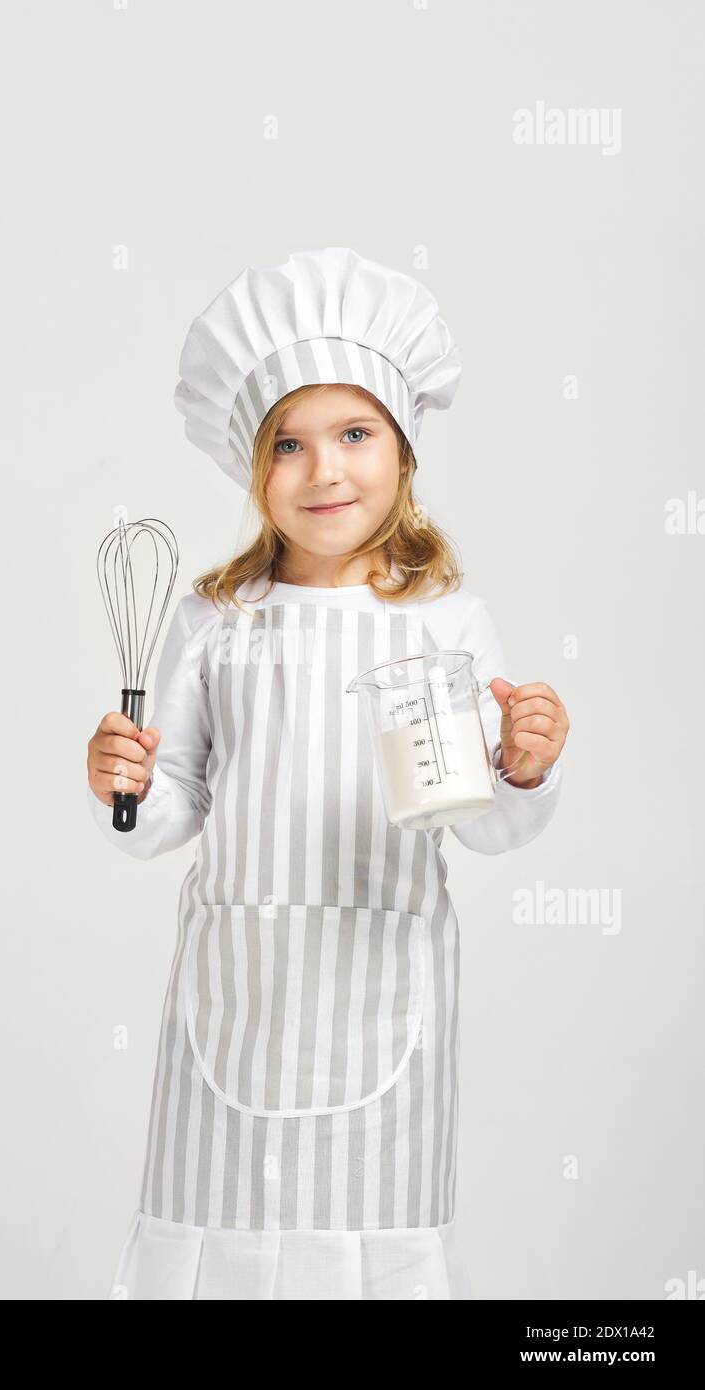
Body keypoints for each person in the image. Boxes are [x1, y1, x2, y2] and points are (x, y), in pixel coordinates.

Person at [87, 247, 570, 1300]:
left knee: (368, 1231)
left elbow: (473, 821)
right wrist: (123, 779)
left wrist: (519, 770)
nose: (325, 471)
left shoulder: (441, 622)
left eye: (353, 435)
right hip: (239, 989)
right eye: (289, 445)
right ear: (251, 468)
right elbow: (171, 809)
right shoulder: (214, 620)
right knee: (220, 1222)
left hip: (381, 988)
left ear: (400, 449)